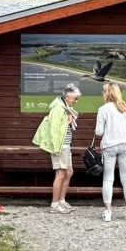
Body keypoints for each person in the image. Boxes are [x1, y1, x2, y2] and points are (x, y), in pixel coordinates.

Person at [32, 83, 80, 213]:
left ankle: (62, 201)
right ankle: (55, 205)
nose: (76, 101)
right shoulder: (58, 108)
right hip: (60, 146)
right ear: (68, 97)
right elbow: (54, 129)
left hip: (66, 146)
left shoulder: (64, 108)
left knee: (69, 172)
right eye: (75, 98)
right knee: (60, 174)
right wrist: (56, 147)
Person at [94, 81, 126, 222]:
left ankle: (108, 212)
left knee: (108, 178)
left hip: (110, 146)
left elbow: (99, 132)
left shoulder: (103, 109)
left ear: (107, 93)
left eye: (103, 91)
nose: (102, 93)